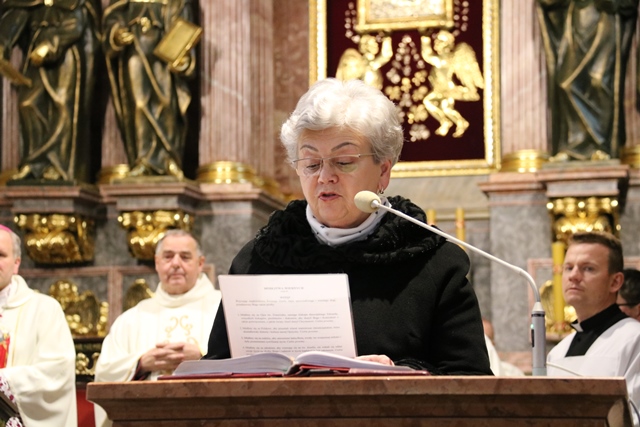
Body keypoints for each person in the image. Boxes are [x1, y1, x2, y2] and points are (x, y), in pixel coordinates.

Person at [204, 78, 492, 375]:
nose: (324, 176)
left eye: (343, 161)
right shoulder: (259, 259)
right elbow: (215, 371)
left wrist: (399, 373)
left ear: (383, 171)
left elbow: (471, 378)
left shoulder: (433, 263)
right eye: (311, 163)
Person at [93, 229, 222, 427]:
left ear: (200, 263)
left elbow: (248, 366)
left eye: (185, 257)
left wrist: (202, 359)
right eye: (168, 257)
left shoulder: (223, 309)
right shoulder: (132, 319)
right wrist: (140, 364)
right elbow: (104, 374)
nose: (176, 264)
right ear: (157, 262)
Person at [0, 0, 100, 182]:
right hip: (35, 50)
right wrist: (3, 44)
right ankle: (34, 164)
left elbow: (78, 22)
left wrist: (53, 44)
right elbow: (17, 14)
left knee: (62, 106)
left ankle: (58, 166)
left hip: (66, 53)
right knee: (28, 103)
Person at [547, 231, 640, 425]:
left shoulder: (634, 339)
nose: (574, 276)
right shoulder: (557, 352)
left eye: (588, 268)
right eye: (568, 267)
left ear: (615, 282)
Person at [102, 0, 198, 179]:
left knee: (167, 104)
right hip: (135, 52)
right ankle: (143, 159)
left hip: (164, 57)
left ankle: (169, 158)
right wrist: (116, 34)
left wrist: (184, 60)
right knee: (139, 103)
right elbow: (113, 17)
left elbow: (184, 28)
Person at [536, 0, 639, 161]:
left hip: (604, 18)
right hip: (577, 18)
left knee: (599, 81)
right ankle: (571, 146)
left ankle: (601, 146)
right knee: (566, 83)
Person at [0, 225, 77, 426]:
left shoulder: (45, 309)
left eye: (1, 255)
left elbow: (57, 371)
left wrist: (5, 381)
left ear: (16, 263)